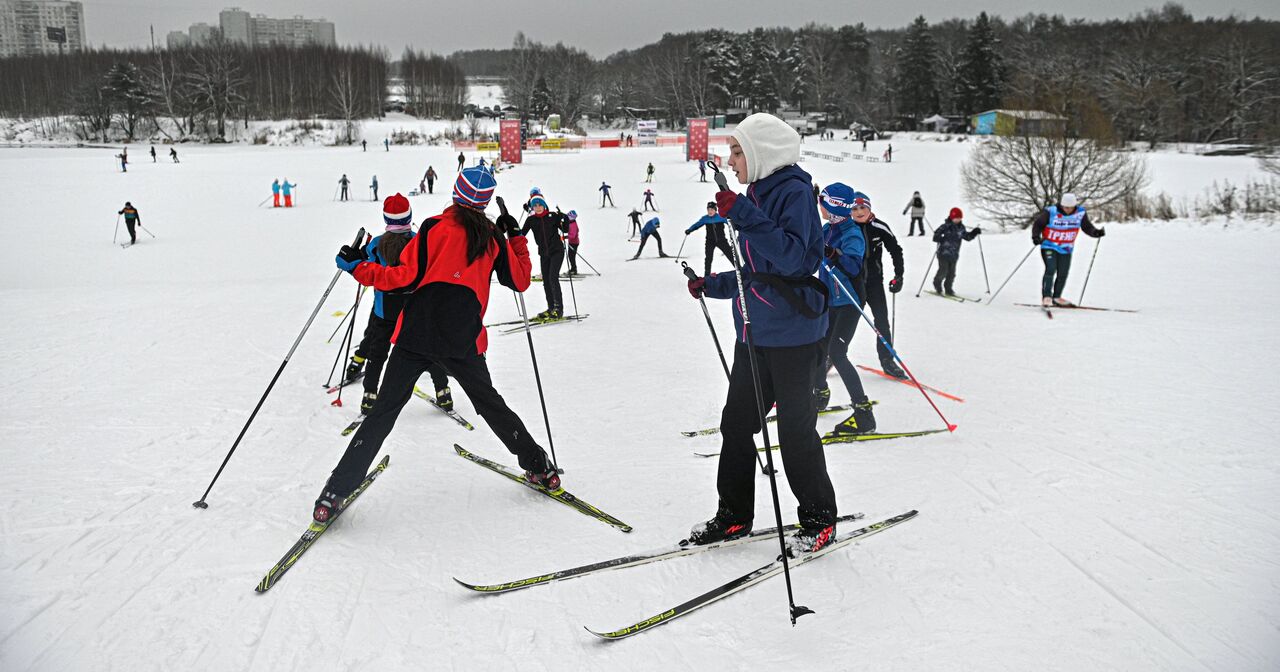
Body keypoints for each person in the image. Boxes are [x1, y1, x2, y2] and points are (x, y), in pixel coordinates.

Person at [315, 165, 561, 523]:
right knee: (492, 407)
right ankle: (541, 468)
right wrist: (515, 239)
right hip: (464, 341)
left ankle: (334, 493)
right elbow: (521, 280)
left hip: (416, 337)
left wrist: (358, 268)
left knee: (382, 414)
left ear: (456, 193)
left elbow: (400, 279)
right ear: (486, 201)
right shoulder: (493, 237)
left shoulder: (433, 227)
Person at [683, 113, 835, 555]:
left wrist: (746, 214)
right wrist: (714, 285)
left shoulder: (794, 193)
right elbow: (759, 274)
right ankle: (734, 516)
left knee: (795, 431)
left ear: (761, 153)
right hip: (754, 334)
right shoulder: (756, 192)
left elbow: (793, 262)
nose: (730, 161)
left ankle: (819, 520)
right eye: (730, 151)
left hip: (795, 338)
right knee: (736, 424)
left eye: (737, 151)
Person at [343, 194, 452, 414]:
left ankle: (369, 397)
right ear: (409, 216)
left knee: (378, 353)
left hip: (385, 312)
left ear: (386, 218)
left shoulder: (376, 244)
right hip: (415, 311)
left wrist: (352, 258)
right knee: (426, 351)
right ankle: (443, 392)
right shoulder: (419, 241)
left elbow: (362, 266)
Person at [812, 183, 876, 436]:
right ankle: (820, 392)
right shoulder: (828, 229)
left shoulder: (851, 233)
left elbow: (852, 267)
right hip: (829, 301)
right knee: (819, 348)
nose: (820, 207)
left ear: (833, 207)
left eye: (823, 203)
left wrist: (834, 254)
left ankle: (863, 413)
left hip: (849, 301)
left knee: (837, 352)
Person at [854, 196, 906, 378]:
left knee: (882, 322)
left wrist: (899, 276)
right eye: (854, 209)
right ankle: (831, 356)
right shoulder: (847, 228)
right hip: (853, 284)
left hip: (875, 283)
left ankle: (887, 360)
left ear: (869, 209)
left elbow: (895, 250)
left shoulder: (879, 227)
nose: (859, 212)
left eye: (862, 208)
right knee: (843, 322)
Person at [1031, 193, 1105, 307]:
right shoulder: (1051, 212)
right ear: (1062, 205)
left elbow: (1086, 227)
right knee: (1051, 269)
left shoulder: (1080, 213)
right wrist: (1036, 236)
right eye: (1066, 207)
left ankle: (1056, 297)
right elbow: (1038, 224)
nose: (1068, 210)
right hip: (1049, 245)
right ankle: (1047, 297)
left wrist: (1095, 232)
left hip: (1066, 248)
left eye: (1071, 207)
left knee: (1063, 273)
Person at [520, 195, 568, 320]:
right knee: (546, 280)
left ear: (544, 205)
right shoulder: (531, 220)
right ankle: (551, 307)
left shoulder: (552, 216)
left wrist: (565, 218)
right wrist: (510, 228)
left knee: (553, 277)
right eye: (535, 205)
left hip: (557, 251)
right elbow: (521, 234)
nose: (538, 207)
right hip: (544, 254)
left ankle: (559, 309)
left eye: (540, 204)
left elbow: (565, 229)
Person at [931, 207, 981, 296]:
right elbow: (935, 236)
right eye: (956, 218)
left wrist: (974, 232)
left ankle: (948, 288)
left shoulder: (961, 228)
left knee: (952, 273)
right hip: (943, 253)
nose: (958, 220)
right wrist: (940, 238)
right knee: (943, 270)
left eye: (959, 218)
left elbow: (967, 237)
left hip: (954, 254)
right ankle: (937, 283)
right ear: (952, 217)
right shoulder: (945, 226)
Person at [685, 201, 736, 278]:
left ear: (715, 210)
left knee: (730, 255)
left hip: (721, 241)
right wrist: (689, 230)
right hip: (710, 241)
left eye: (712, 209)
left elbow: (731, 223)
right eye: (708, 210)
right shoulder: (705, 219)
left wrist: (736, 225)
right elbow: (697, 225)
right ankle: (706, 276)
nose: (710, 211)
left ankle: (740, 271)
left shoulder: (721, 217)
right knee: (708, 258)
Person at [566, 211, 581, 275]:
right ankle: (573, 268)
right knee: (570, 256)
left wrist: (565, 237)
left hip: (574, 243)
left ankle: (574, 269)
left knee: (571, 256)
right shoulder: (571, 223)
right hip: (571, 242)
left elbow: (573, 236)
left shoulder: (573, 225)